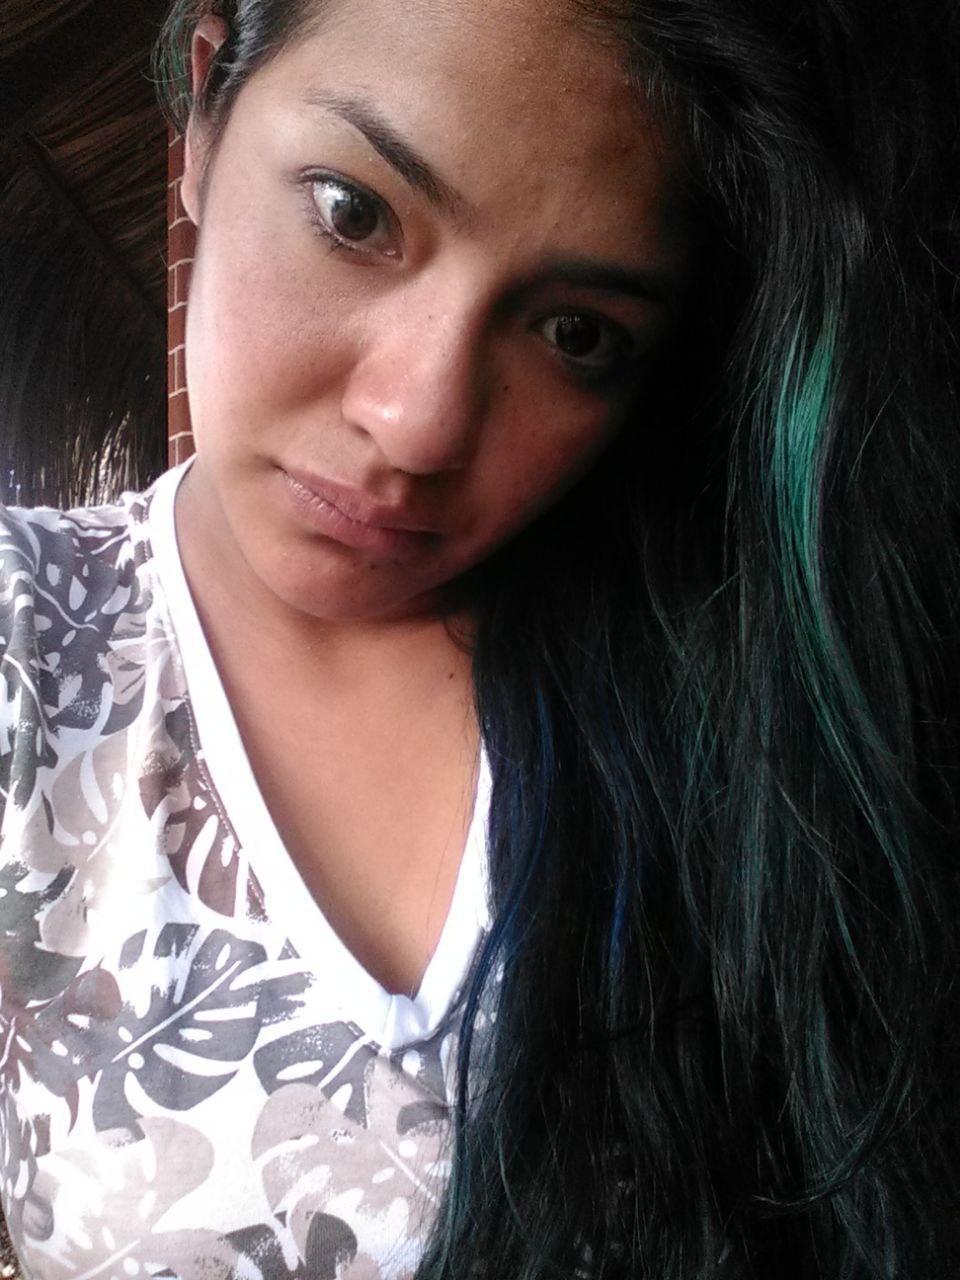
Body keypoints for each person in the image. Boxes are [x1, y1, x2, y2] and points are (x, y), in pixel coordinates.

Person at [0, 0, 957, 1276]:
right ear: (209, 104)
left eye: (575, 333)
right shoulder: (33, 646)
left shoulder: (752, 680)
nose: (420, 423)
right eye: (354, 213)